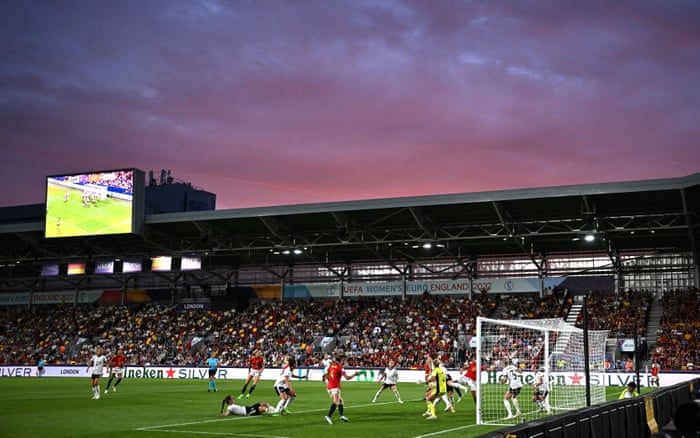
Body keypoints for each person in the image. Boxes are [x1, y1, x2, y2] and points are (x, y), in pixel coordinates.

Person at [324, 354, 359, 424]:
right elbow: (347, 378)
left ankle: (341, 416)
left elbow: (326, 375)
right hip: (335, 387)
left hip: (329, 386)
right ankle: (328, 416)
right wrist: (354, 374)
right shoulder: (340, 367)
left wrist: (329, 382)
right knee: (336, 402)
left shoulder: (331, 365)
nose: (345, 362)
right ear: (342, 360)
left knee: (341, 402)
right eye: (345, 360)